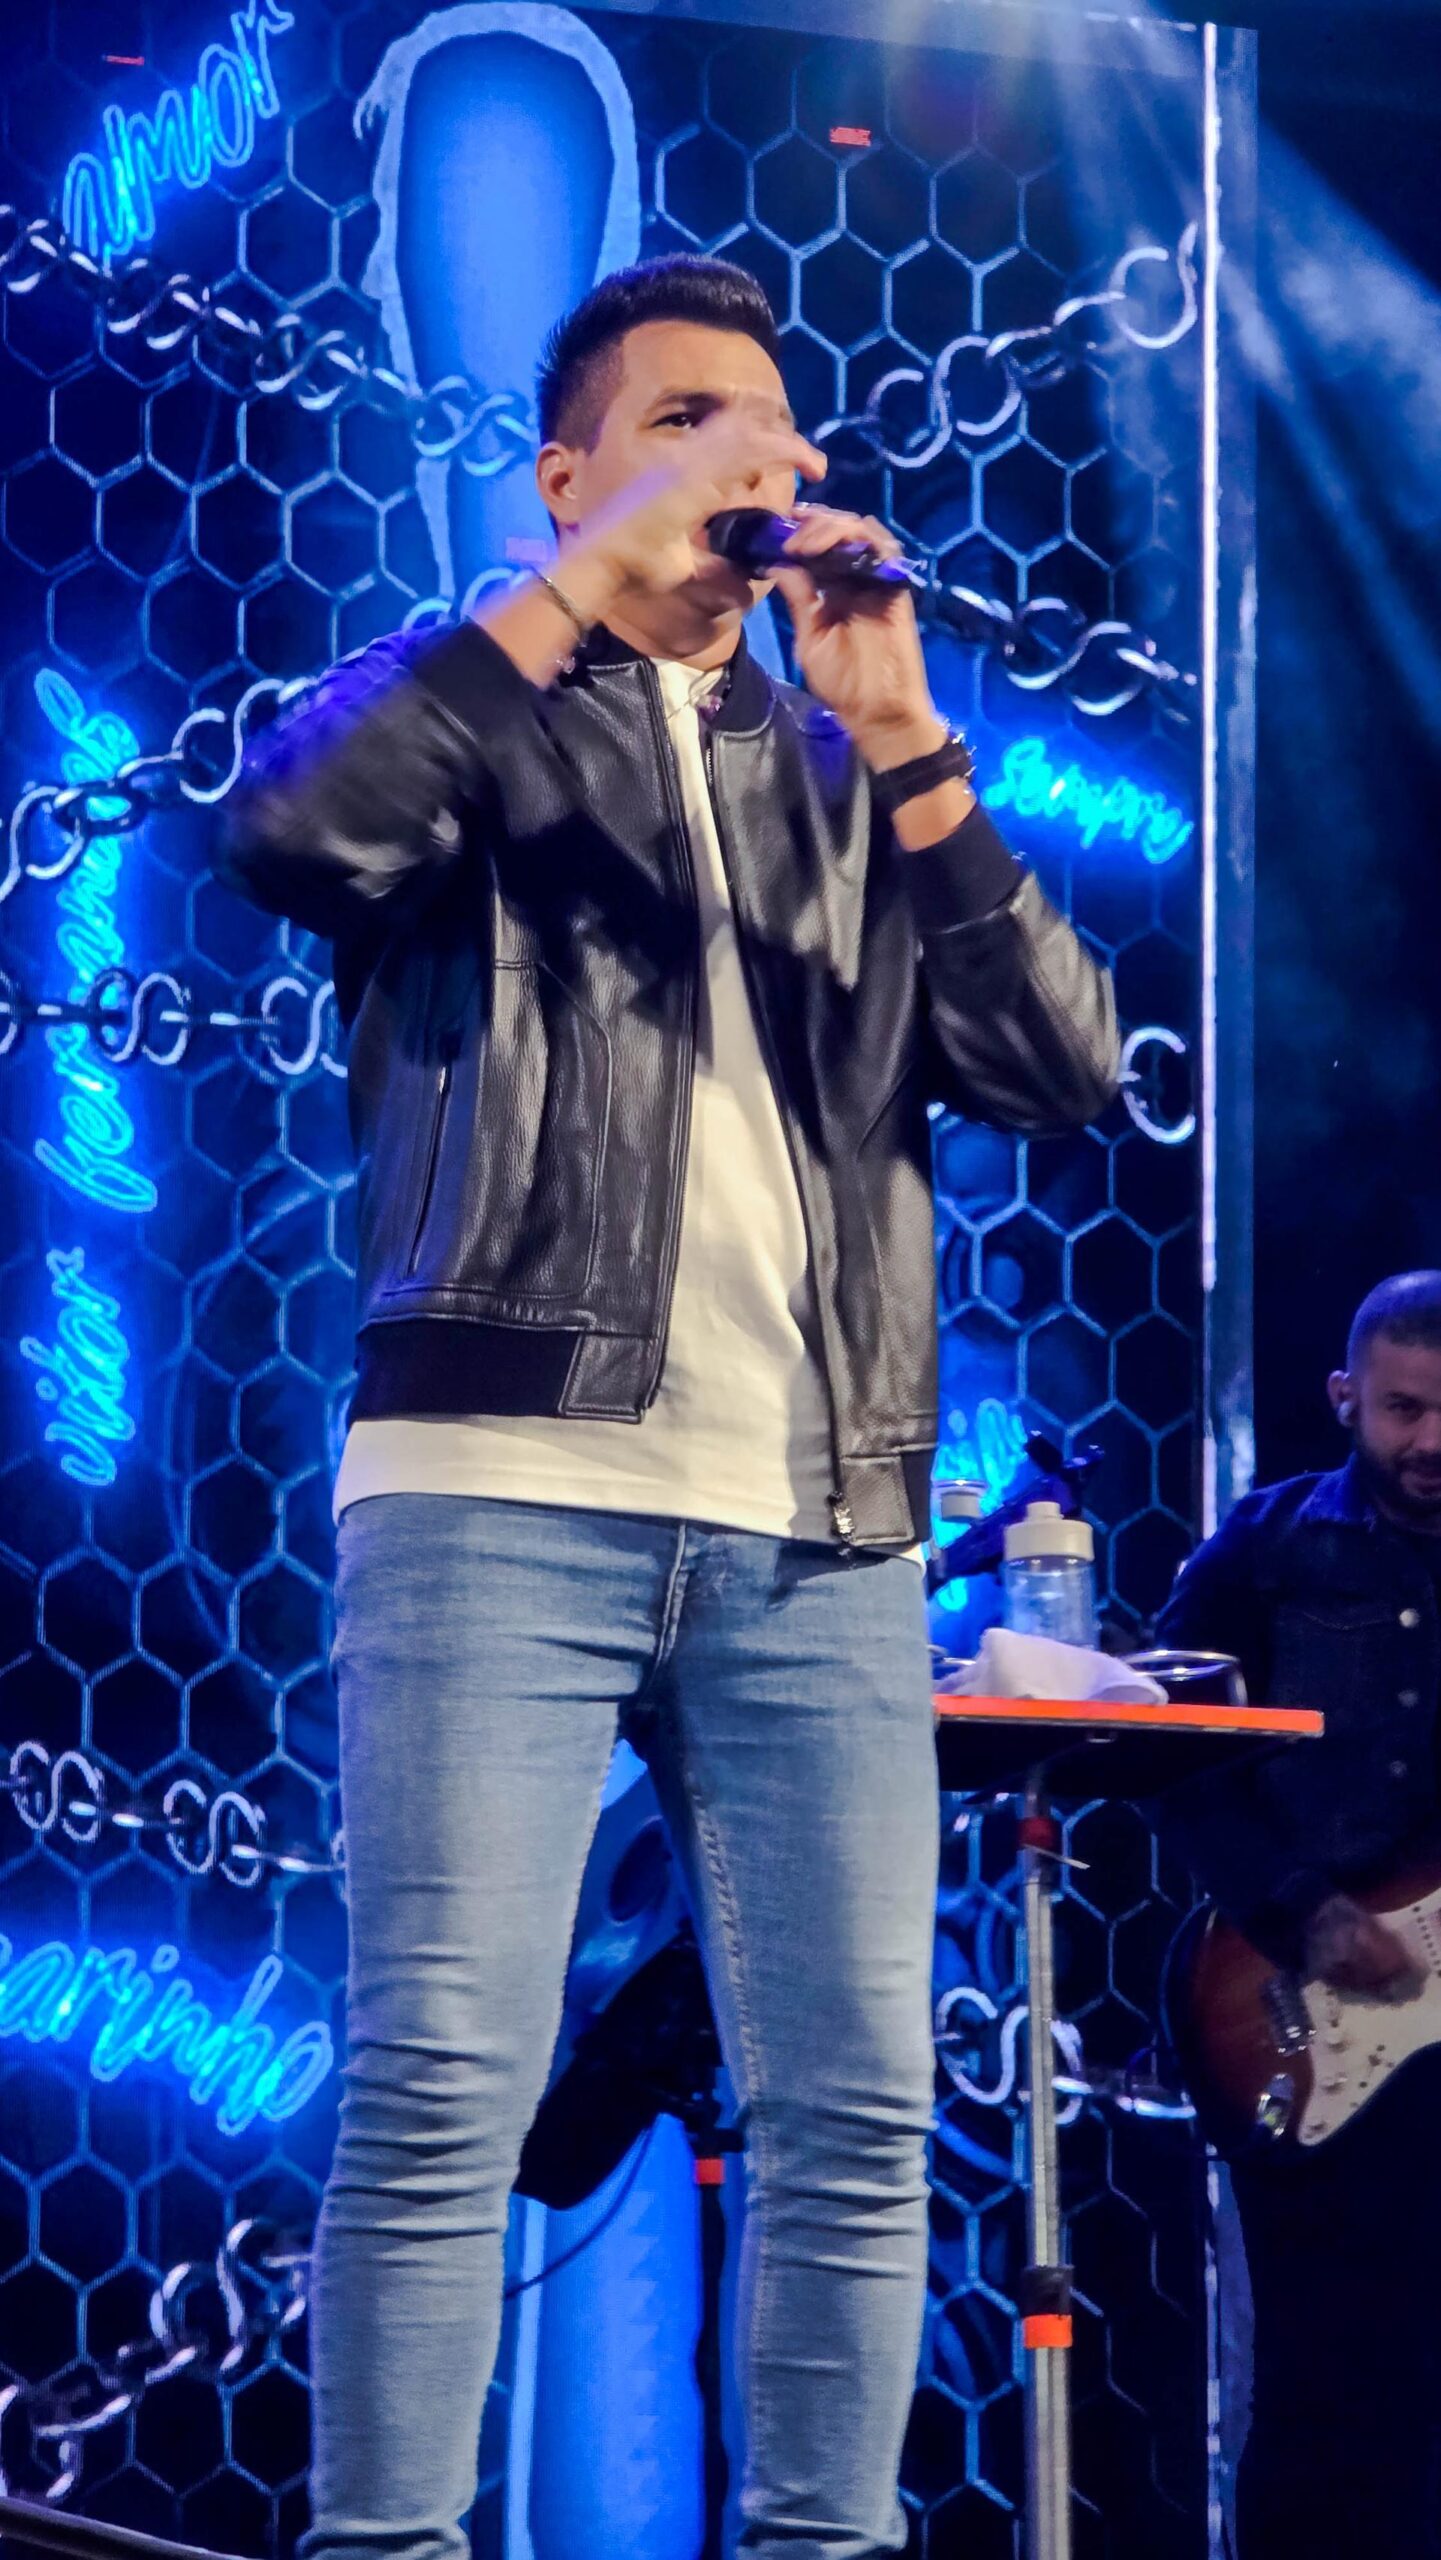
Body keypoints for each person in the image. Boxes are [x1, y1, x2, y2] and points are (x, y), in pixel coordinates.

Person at [221, 253, 1118, 2560]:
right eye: (686, 421)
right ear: (569, 473)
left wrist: (903, 734)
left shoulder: (842, 776)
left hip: (815, 1518)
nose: (756, 460)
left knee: (857, 2103)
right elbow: (294, 832)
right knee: (444, 2079)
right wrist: (577, 597)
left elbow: (1062, 1063)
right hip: (499, 1478)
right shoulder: (465, 707)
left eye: (774, 430)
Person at [1156, 1270, 1441, 2560]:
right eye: (1402, 1409)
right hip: (1300, 2010)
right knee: (1328, 2383)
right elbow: (1169, 1755)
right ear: (1345, 1398)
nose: (1430, 1440)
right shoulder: (1267, 1548)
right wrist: (1302, 1910)